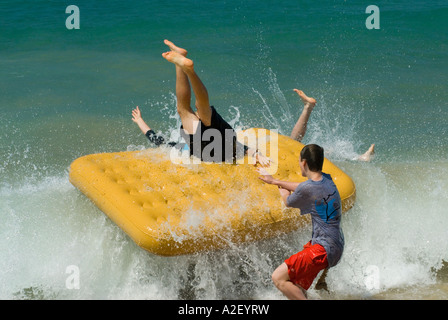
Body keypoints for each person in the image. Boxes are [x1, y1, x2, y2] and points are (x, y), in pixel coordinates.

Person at [133, 39, 270, 165]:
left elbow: (159, 142)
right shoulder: (205, 134)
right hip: (226, 142)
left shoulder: (183, 146)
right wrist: (258, 155)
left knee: (188, 110)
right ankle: (187, 68)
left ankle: (183, 64)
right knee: (198, 108)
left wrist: (139, 121)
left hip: (212, 151)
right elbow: (245, 149)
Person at [257, 144, 344, 300]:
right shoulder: (327, 179)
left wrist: (279, 187)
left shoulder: (308, 188)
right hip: (336, 246)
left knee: (278, 278)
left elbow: (289, 201)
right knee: (294, 284)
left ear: (304, 163)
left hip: (322, 250)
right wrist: (276, 181)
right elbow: (303, 187)